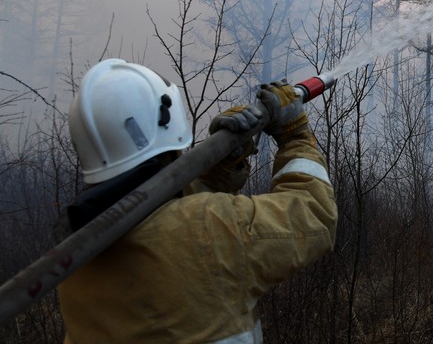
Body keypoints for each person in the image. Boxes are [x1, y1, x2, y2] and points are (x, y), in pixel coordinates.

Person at [55, 58, 337, 344]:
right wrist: (296, 136)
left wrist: (222, 164)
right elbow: (313, 216)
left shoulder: (75, 255)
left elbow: (168, 222)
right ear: (168, 118)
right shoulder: (208, 225)